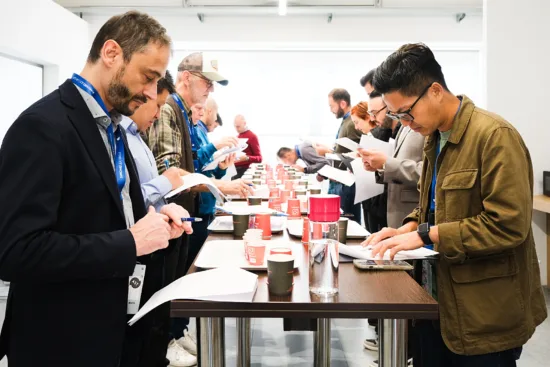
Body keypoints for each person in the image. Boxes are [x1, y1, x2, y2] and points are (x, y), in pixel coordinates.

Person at [0, 11, 193, 367]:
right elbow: (15, 251)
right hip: (61, 341)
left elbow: (100, 214)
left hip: (113, 330)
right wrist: (130, 242)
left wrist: (153, 219)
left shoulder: (113, 128)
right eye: (148, 78)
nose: (152, 92)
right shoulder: (42, 127)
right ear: (111, 53)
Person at [364, 43, 547, 366]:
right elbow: (431, 205)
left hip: (483, 314)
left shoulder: (494, 137)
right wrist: (407, 226)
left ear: (435, 91)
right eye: (396, 115)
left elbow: (508, 225)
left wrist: (425, 236)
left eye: (407, 112)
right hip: (436, 305)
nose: (405, 122)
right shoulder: (436, 137)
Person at [147, 52, 251, 363]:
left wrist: (217, 169)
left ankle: (175, 333)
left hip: (187, 210)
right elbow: (171, 169)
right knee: (171, 282)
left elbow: (190, 163)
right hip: (173, 213)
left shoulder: (178, 110)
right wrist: (220, 184)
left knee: (181, 279)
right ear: (186, 78)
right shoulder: (168, 108)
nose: (211, 91)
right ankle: (166, 340)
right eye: (207, 83)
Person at [121, 72, 197, 367]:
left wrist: (164, 207)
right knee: (139, 328)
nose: (158, 112)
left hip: (154, 236)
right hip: (133, 247)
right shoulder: (122, 138)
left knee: (153, 322)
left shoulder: (136, 137)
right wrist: (165, 184)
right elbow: (127, 197)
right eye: (156, 104)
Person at [360, 90, 425, 229]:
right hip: (396, 212)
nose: (372, 118)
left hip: (413, 214)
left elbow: (430, 172)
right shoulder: (403, 127)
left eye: (375, 113)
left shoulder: (424, 123)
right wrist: (379, 167)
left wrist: (386, 163)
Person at [327, 88, 362, 223]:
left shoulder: (352, 123)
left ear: (342, 103)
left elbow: (357, 152)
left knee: (347, 223)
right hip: (341, 180)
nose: (331, 110)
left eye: (332, 106)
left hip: (347, 182)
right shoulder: (346, 121)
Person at [233, 114, 262, 178]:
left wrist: (247, 158)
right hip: (234, 169)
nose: (236, 129)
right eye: (235, 126)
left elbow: (259, 158)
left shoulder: (252, 136)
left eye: (238, 126)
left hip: (244, 171)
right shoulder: (238, 136)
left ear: (244, 123)